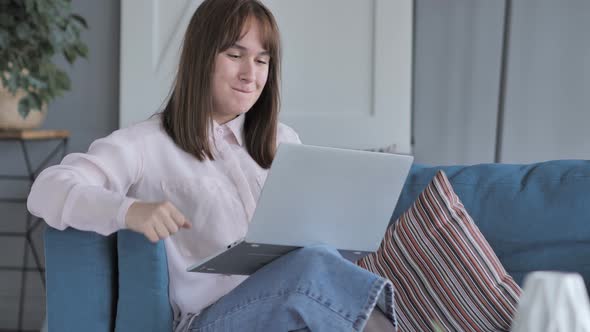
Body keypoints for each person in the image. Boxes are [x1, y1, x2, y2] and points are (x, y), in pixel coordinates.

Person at [27, 0, 396, 331]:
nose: (250, 74)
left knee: (320, 264)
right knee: (313, 267)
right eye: (235, 55)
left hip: (288, 310)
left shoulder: (283, 142)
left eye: (262, 60)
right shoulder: (146, 143)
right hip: (211, 319)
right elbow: (48, 188)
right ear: (202, 57)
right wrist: (130, 210)